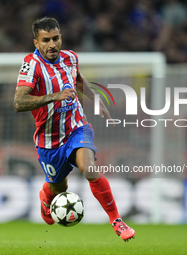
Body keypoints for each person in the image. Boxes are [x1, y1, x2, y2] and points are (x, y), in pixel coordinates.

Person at [13, 17, 135, 241]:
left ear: (61, 37)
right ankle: (47, 196)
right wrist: (56, 96)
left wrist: (96, 100)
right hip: (49, 140)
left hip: (77, 128)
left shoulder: (70, 58)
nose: (52, 44)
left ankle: (116, 220)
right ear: (36, 42)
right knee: (59, 187)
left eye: (56, 38)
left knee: (89, 169)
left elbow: (77, 80)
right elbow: (19, 102)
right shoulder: (31, 65)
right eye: (46, 40)